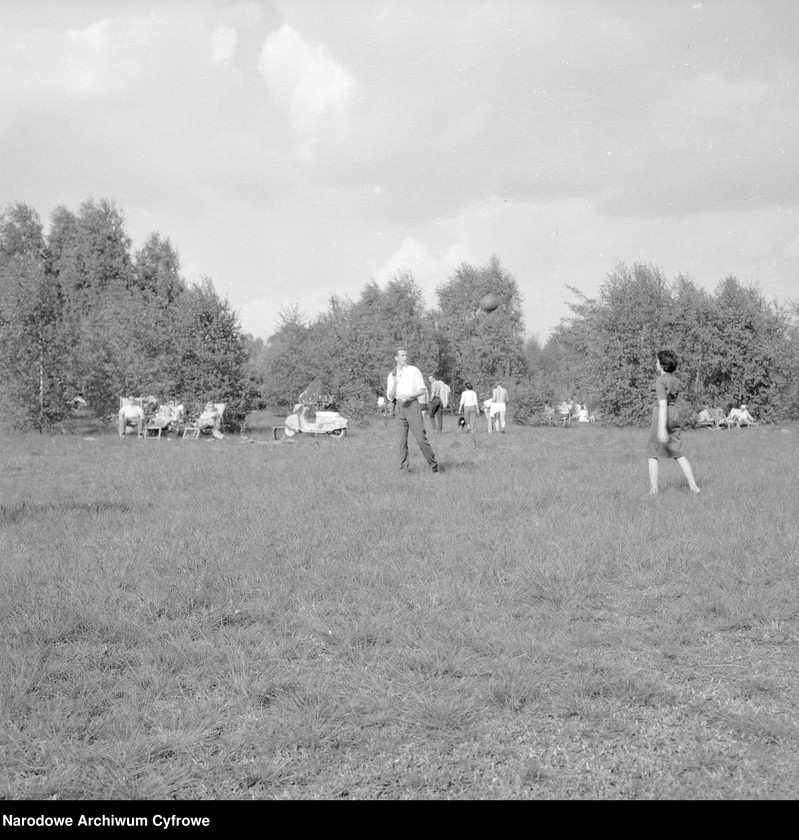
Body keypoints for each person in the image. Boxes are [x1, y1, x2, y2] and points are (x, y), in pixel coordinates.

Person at [647, 350, 700, 495]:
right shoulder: (675, 381)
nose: (655, 363)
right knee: (678, 452)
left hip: (661, 415)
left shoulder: (660, 381)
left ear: (662, 365)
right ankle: (693, 486)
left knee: (652, 453)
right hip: (674, 414)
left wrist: (662, 428)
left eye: (657, 361)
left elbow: (662, 404)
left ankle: (654, 490)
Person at [386, 348, 440, 473]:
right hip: (399, 407)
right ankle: (404, 469)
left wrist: (411, 395)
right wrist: (394, 383)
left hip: (412, 405)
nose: (405, 357)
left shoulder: (414, 370)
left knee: (421, 439)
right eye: (402, 355)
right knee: (401, 441)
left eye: (406, 355)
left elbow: (422, 389)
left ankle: (434, 465)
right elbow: (390, 396)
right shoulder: (391, 375)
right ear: (396, 358)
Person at [458, 382, 480, 446]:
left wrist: (459, 409)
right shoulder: (474, 393)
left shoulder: (464, 393)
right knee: (472, 420)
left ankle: (468, 426)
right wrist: (477, 408)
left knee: (466, 418)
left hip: (466, 407)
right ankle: (472, 429)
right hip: (473, 407)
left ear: (466, 387)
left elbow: (462, 401)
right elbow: (476, 401)